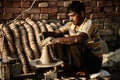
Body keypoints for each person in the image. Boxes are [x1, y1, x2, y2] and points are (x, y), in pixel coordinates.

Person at [40, 1, 103, 77]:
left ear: (82, 13)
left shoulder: (89, 23)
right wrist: (44, 34)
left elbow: (79, 39)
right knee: (59, 39)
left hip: (93, 62)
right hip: (82, 59)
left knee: (74, 44)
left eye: (73, 16)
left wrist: (55, 40)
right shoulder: (71, 24)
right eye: (69, 16)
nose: (70, 19)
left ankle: (80, 69)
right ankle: (67, 66)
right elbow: (56, 32)